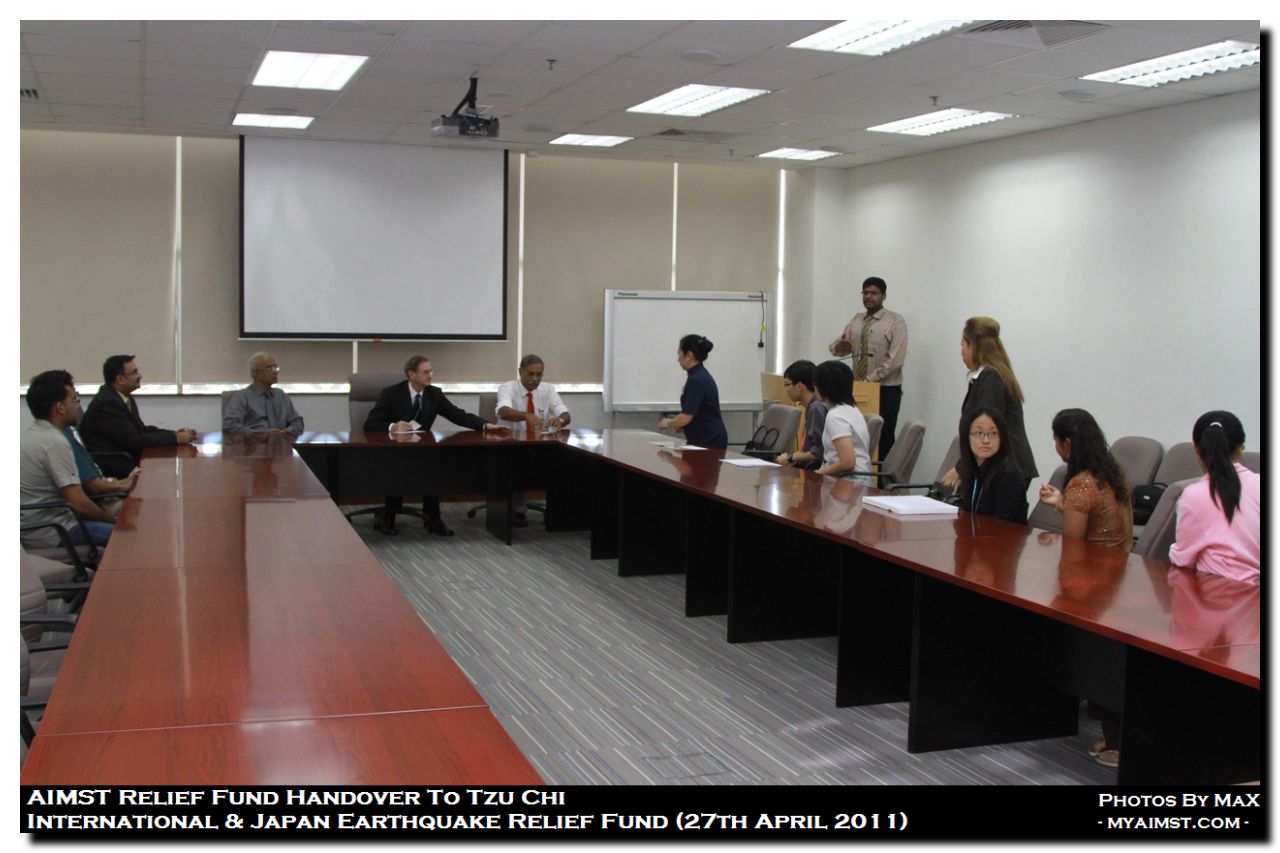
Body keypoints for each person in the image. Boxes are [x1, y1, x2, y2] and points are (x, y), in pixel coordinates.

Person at [364, 355, 505, 536]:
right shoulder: (391, 393)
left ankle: (433, 519)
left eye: (431, 371)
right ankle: (389, 516)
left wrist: (485, 425)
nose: (430, 375)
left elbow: (458, 415)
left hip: (423, 450)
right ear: (411, 374)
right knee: (399, 464)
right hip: (394, 449)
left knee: (436, 464)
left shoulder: (434, 394)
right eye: (425, 372)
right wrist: (392, 426)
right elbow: (370, 423)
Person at [21, 371, 120, 548]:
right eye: (74, 400)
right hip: (56, 531)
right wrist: (113, 521)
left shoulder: (33, 434)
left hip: (39, 526)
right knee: (130, 537)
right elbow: (80, 503)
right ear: (60, 407)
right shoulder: (54, 442)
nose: (77, 406)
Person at [942, 316, 1037, 493]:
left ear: (973, 346)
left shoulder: (990, 379)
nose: (961, 351)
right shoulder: (988, 377)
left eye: (963, 344)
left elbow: (986, 428)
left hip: (1006, 472)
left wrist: (962, 469)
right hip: (1002, 469)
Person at [1167, 411, 1259, 584]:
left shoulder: (1193, 496)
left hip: (1214, 591)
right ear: (1241, 448)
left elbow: (1182, 559)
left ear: (1196, 450)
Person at [79, 354, 198, 478]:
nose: (140, 376)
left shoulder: (122, 397)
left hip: (128, 459)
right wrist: (176, 438)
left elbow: (141, 430)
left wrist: (175, 434)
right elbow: (134, 440)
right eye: (134, 372)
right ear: (120, 379)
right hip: (114, 465)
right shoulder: (107, 403)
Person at [827, 276, 907, 458]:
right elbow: (837, 348)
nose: (869, 297)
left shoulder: (895, 321)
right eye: (865, 293)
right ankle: (860, 470)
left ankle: (882, 475)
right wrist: (840, 346)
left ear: (884, 296)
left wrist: (869, 380)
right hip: (858, 389)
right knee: (858, 434)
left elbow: (896, 360)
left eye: (874, 293)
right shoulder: (857, 320)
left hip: (885, 390)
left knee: (883, 437)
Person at [1037, 409, 1133, 550]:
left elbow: (1072, 549)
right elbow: (1097, 516)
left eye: (1056, 441)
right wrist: (1059, 502)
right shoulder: (1113, 473)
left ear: (1067, 444)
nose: (1056, 447)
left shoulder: (1080, 485)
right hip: (1122, 561)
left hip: (1093, 563)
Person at [496, 354, 572, 527]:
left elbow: (566, 415)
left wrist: (559, 421)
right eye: (530, 374)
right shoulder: (508, 388)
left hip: (539, 445)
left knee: (565, 462)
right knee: (516, 465)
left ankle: (560, 512)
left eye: (539, 374)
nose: (535, 379)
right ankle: (517, 509)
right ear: (520, 372)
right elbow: (503, 411)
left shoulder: (548, 390)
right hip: (511, 444)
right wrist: (526, 415)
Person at [955, 406, 1028, 524]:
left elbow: (999, 525)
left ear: (1002, 437)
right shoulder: (972, 469)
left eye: (993, 433)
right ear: (966, 437)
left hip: (1002, 535)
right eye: (979, 433)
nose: (986, 440)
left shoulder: (1009, 475)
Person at [657, 334, 728, 449]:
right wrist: (681, 425)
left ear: (689, 355)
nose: (678, 359)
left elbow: (686, 417)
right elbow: (697, 412)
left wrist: (668, 423)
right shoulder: (697, 376)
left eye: (679, 354)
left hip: (709, 441)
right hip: (703, 439)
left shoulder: (697, 379)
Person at [811, 360, 871, 482]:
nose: (814, 389)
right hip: (857, 481)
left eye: (815, 384)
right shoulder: (852, 409)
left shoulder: (836, 417)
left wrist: (817, 473)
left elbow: (847, 462)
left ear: (825, 387)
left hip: (848, 484)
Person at [222, 352, 304, 434]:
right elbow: (229, 426)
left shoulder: (280, 395)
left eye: (276, 368)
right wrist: (260, 434)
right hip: (253, 441)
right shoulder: (242, 397)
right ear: (256, 373)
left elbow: (297, 423)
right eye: (270, 369)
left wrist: (284, 432)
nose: (275, 372)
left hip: (281, 440)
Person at [776, 359, 827, 470]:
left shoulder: (816, 408)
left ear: (799, 386)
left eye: (787, 384)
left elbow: (817, 453)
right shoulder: (813, 406)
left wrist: (790, 457)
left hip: (815, 472)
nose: (785, 389)